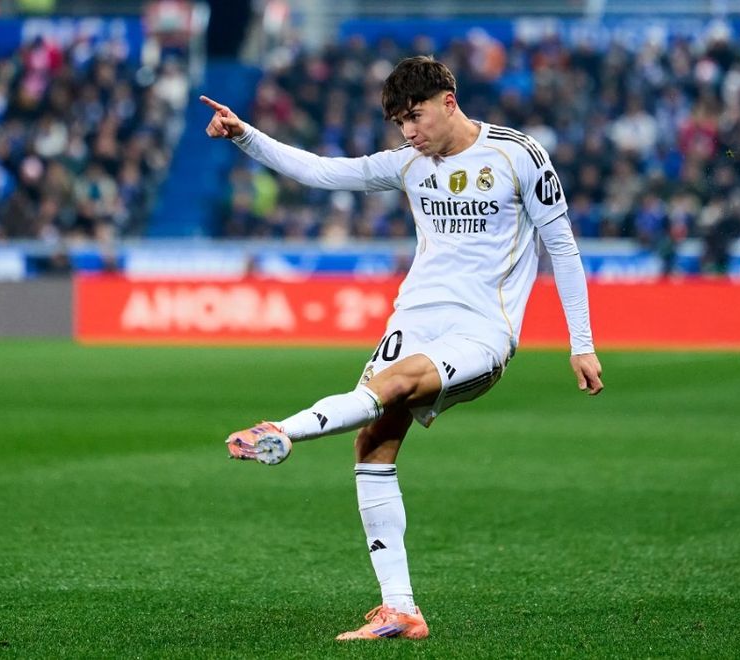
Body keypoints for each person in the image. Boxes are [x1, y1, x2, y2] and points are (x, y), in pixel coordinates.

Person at [201, 55, 604, 641]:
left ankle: (283, 432)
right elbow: (321, 171)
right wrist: (245, 136)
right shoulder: (409, 164)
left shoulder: (517, 154)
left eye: (415, 117)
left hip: (480, 331)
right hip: (413, 320)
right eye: (399, 123)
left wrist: (581, 343)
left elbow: (561, 247)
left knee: (392, 385)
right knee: (373, 443)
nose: (409, 132)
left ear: (448, 101)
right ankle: (400, 610)